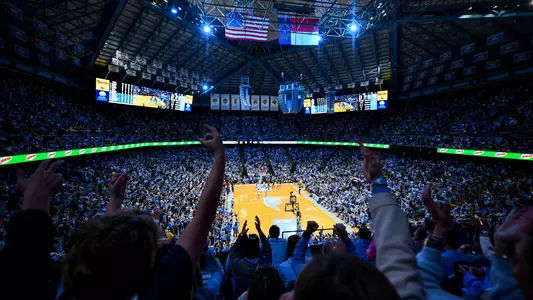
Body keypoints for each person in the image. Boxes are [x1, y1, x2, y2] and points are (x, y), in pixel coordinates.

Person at [229, 216, 272, 297]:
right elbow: (267, 249)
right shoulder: (263, 265)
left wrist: (242, 234)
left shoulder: (237, 264)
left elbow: (233, 251)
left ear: (244, 250)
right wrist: (259, 230)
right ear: (259, 250)